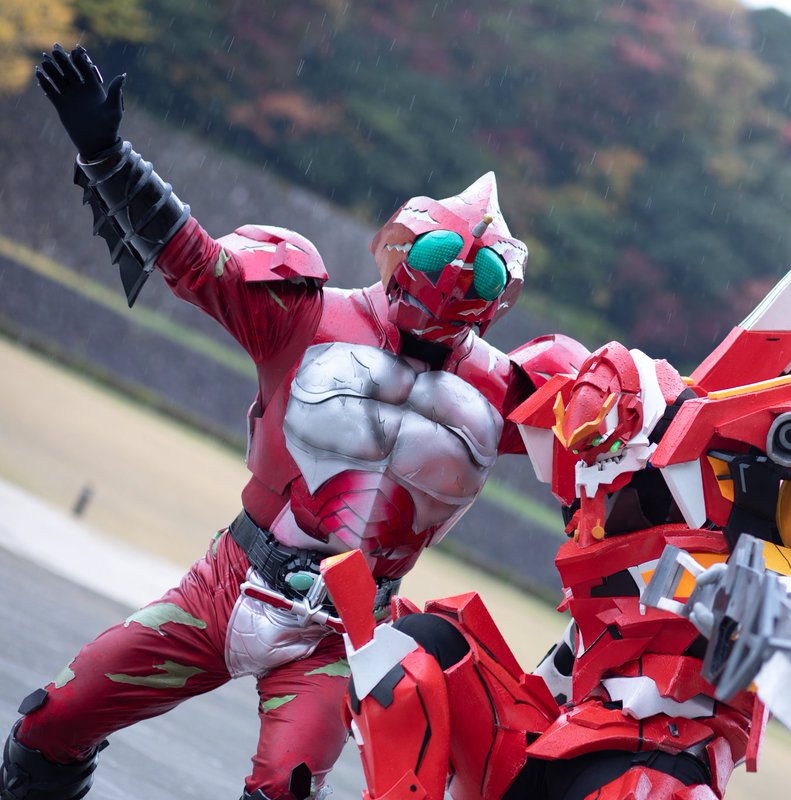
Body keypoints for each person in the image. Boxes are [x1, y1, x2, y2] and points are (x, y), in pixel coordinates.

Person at [0, 44, 586, 800]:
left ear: (500, 292)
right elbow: (194, 260)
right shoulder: (306, 313)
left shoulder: (510, 391)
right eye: (443, 251)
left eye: (479, 268)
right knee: (50, 724)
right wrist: (108, 156)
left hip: (340, 632)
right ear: (403, 245)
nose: (454, 274)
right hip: (226, 586)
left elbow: (630, 439)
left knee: (286, 789)